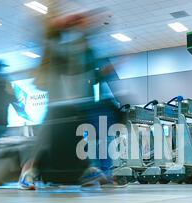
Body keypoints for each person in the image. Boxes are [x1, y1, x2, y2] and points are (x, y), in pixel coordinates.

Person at [18, 4, 120, 190]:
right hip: (59, 98)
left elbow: (89, 74)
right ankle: (29, 170)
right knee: (47, 135)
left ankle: (86, 170)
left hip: (77, 101)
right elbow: (44, 39)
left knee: (78, 136)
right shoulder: (59, 40)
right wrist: (56, 24)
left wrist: (105, 72)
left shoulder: (83, 44)